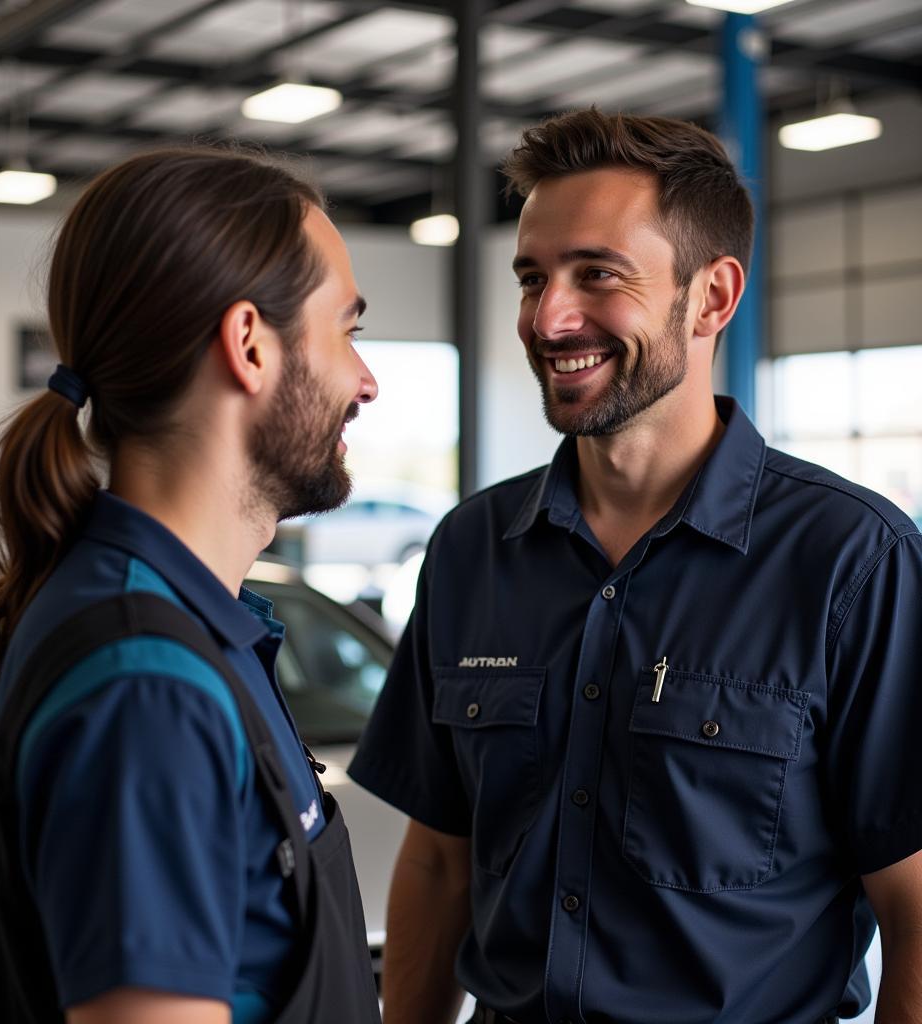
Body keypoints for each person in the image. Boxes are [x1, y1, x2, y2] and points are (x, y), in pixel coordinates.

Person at [348, 109, 922, 1024]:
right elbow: (438, 858)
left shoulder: (852, 562)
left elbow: (915, 905)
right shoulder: (470, 551)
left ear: (714, 297)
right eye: (532, 277)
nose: (548, 317)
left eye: (597, 274)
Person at [0, 147, 382, 1024]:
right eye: (349, 329)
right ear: (250, 346)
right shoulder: (146, 683)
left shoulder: (190, 630)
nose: (364, 380)